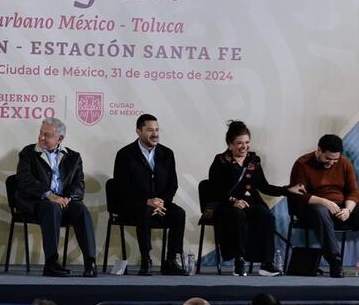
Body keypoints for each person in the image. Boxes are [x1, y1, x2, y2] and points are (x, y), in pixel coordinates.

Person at [209, 120, 303, 277]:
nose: (244, 147)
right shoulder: (220, 161)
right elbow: (214, 190)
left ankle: (266, 263)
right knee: (237, 216)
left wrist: (287, 190)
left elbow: (264, 186)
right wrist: (234, 201)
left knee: (266, 216)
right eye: (239, 143)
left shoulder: (254, 160)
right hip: (228, 204)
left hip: (251, 203)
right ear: (230, 144)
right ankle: (239, 261)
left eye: (247, 142)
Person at [15, 117, 97, 277]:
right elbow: (25, 180)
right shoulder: (28, 153)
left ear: (60, 138)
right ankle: (51, 263)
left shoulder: (74, 157)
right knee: (51, 208)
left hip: (63, 202)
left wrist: (67, 197)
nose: (41, 138)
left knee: (81, 210)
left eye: (47, 135)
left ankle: (90, 261)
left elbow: (79, 184)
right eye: (40, 133)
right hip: (37, 203)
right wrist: (49, 195)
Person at [112, 114, 188, 275]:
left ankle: (171, 260)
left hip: (161, 204)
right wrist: (147, 201)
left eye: (157, 130)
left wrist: (161, 201)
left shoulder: (167, 154)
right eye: (149, 130)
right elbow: (122, 187)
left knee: (178, 214)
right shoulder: (125, 154)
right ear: (138, 131)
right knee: (144, 211)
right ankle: (146, 259)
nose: (155, 134)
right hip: (133, 205)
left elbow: (172, 184)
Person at [289, 133, 359, 278]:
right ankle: (335, 261)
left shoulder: (344, 163)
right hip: (312, 207)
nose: (331, 163)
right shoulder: (302, 164)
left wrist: (348, 209)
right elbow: (299, 195)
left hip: (341, 207)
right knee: (320, 210)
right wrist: (325, 202)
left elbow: (353, 191)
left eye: (335, 159)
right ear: (319, 150)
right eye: (328, 158)